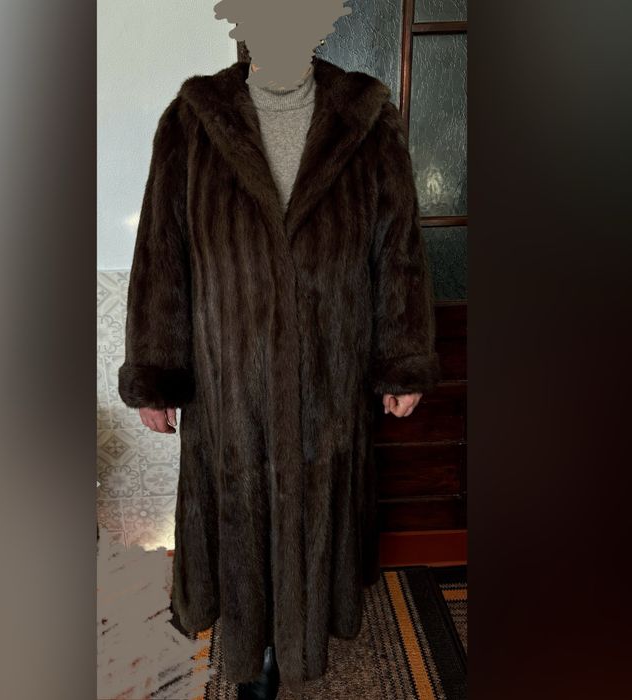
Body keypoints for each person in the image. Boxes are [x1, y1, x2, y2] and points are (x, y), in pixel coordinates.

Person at [118, 16, 439, 698]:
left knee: (316, 510)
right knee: (238, 510)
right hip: (229, 381)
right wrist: (156, 374)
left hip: (330, 375)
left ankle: (298, 642)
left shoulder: (366, 118)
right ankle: (253, 650)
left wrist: (402, 357)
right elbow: (161, 255)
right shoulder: (193, 119)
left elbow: (399, 252)